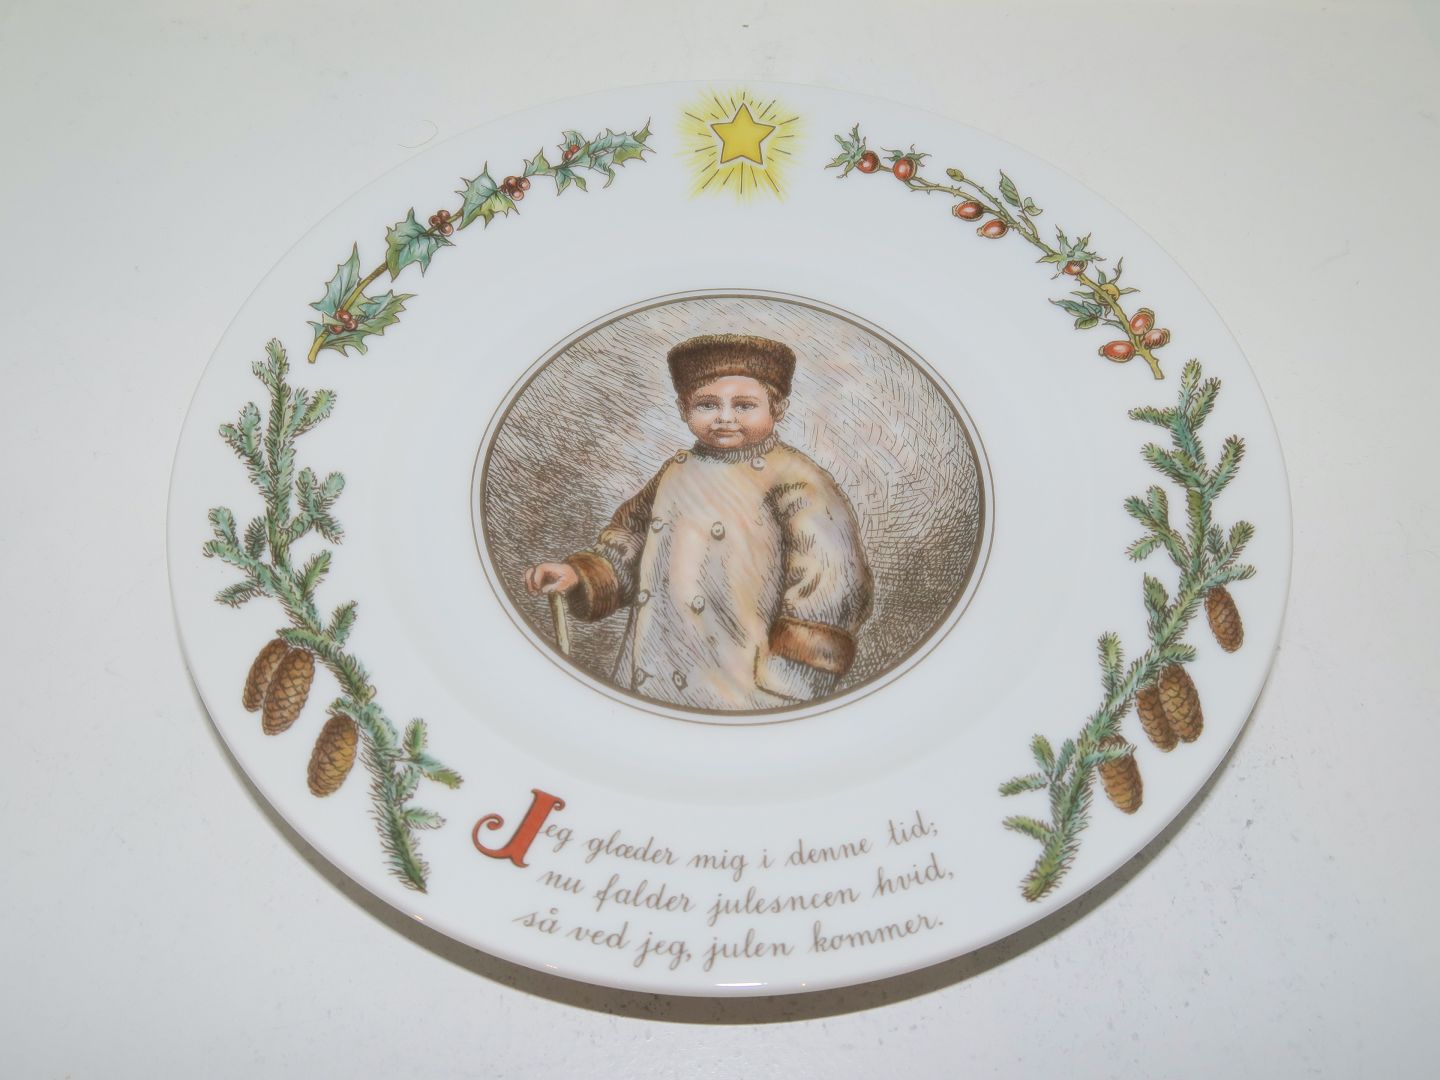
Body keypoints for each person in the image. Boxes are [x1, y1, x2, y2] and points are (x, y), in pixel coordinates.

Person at [525, 333, 873, 711]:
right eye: (707, 404)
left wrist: (789, 684)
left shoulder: (797, 479)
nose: (725, 417)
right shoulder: (675, 471)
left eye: (744, 405)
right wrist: (579, 576)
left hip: (746, 682)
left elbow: (830, 583)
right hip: (655, 663)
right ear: (682, 408)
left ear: (778, 408)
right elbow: (631, 541)